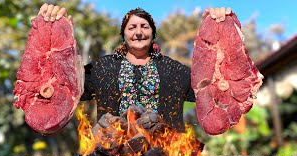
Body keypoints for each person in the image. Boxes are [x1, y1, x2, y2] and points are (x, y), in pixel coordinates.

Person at [37, 4, 232, 132]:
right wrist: (55, 34)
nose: (138, 32)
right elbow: (65, 90)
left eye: (144, 27)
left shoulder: (175, 71)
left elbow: (213, 93)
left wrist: (216, 33)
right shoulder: (101, 68)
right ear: (124, 35)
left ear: (153, 33)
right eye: (132, 28)